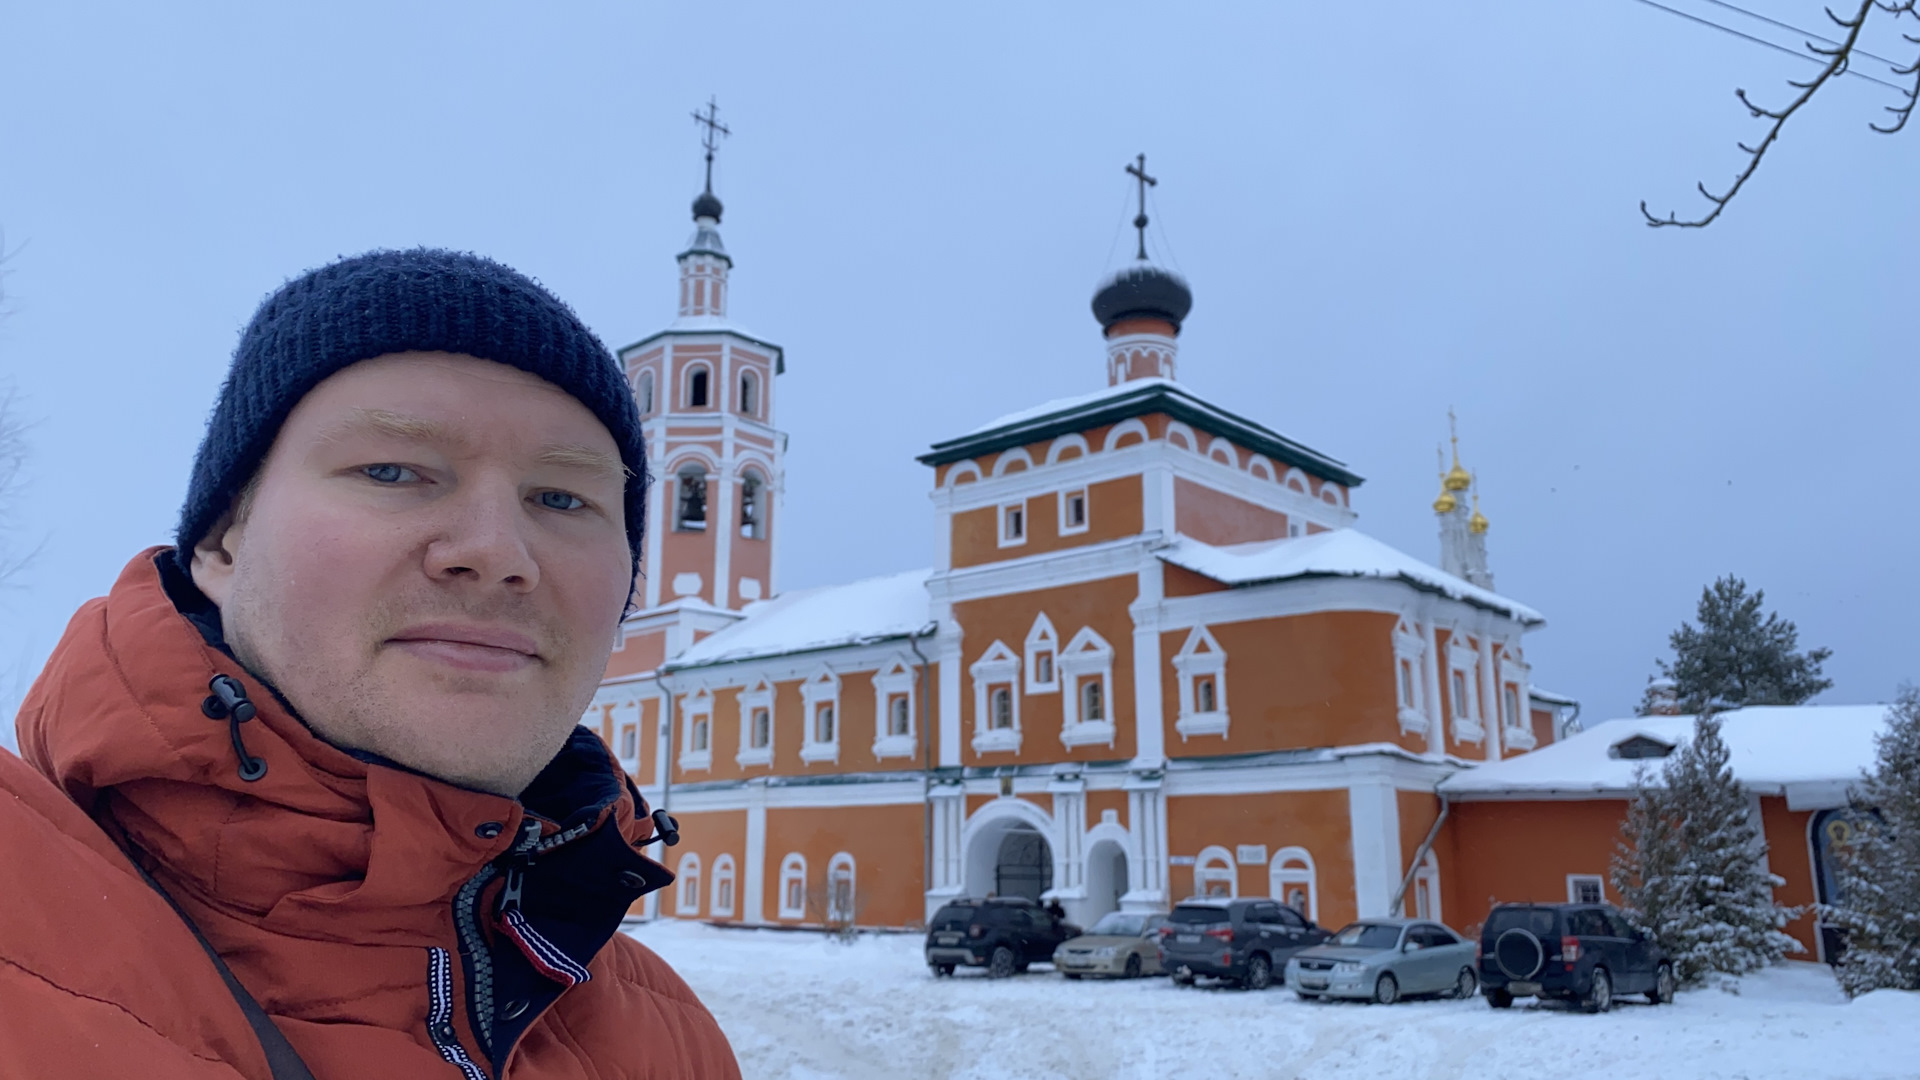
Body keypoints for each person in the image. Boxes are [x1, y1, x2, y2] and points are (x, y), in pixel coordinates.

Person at [0, 250, 739, 1078]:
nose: (497, 552)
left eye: (563, 498)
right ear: (220, 542)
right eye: (392, 470)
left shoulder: (671, 1042)